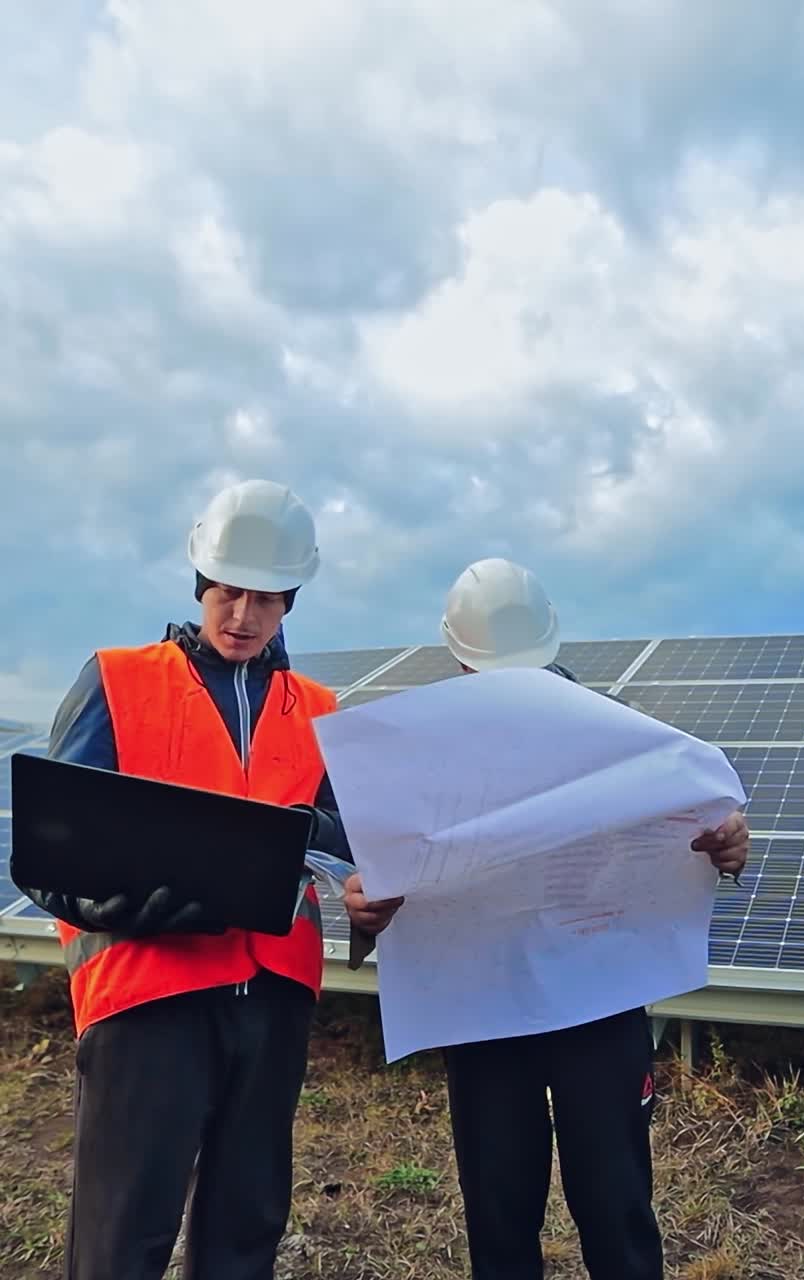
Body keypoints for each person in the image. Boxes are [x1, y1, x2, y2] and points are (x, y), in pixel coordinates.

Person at [344, 556, 750, 1280]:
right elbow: (375, 880)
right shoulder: (419, 756)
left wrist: (727, 844)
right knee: (500, 1214)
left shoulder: (619, 744)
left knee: (616, 1206)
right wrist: (366, 910)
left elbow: (702, 828)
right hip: (483, 1012)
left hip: (598, 1005)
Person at [16, 479, 356, 1280]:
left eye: (265, 599)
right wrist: (100, 901)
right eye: (228, 592)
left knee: (246, 1228)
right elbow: (49, 846)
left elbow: (349, 839)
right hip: (148, 994)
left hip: (273, 1000)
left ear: (290, 600)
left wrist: (346, 866)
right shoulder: (117, 679)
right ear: (202, 582)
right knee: (123, 1236)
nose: (242, 615)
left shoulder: (320, 708)